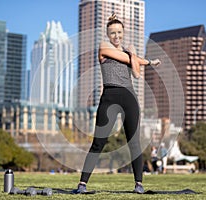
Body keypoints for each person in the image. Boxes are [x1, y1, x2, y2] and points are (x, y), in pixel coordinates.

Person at [75, 13, 161, 194]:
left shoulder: (128, 52)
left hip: (129, 97)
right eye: (113, 33)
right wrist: (140, 58)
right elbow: (134, 65)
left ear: (124, 32)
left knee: (134, 142)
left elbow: (136, 74)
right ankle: (82, 184)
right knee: (99, 142)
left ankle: (139, 183)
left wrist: (142, 60)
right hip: (109, 97)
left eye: (119, 32)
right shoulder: (104, 47)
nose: (116, 36)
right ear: (107, 34)